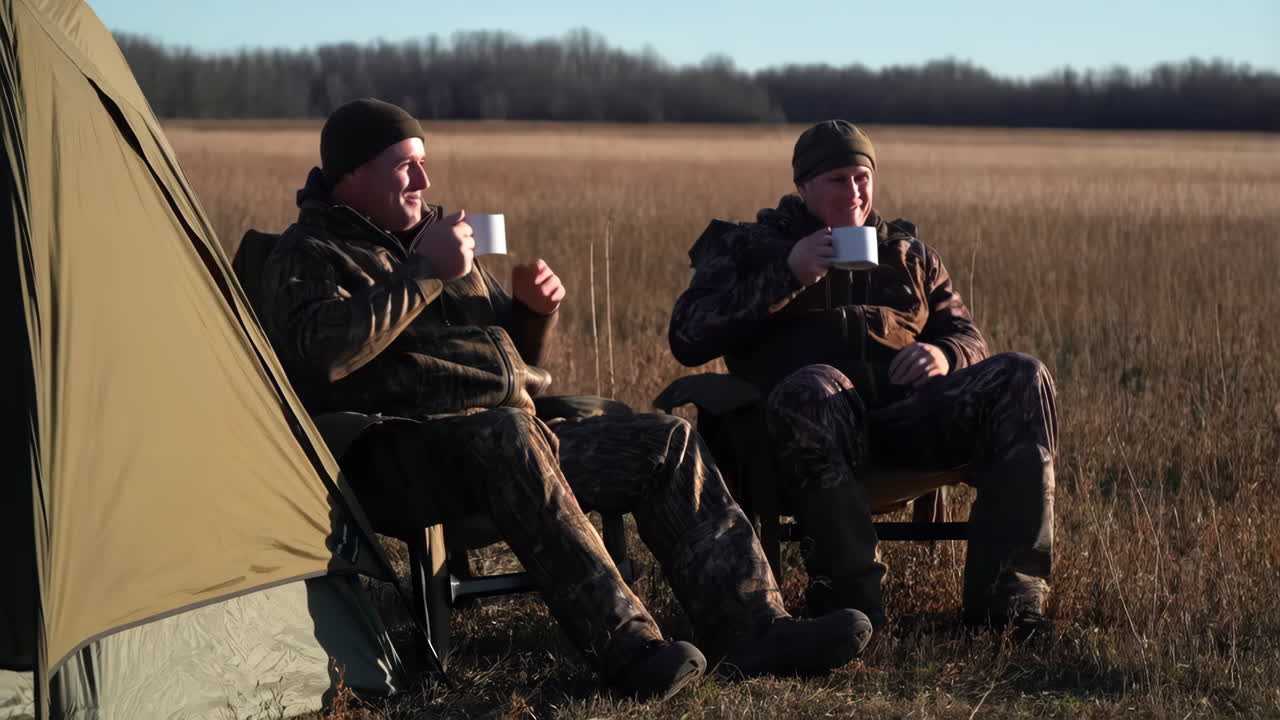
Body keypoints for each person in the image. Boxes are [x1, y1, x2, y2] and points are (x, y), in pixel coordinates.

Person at [250, 99, 873, 702]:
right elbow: (321, 354)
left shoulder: (439, 238)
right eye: (405, 164)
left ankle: (757, 629)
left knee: (664, 441)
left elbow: (514, 363)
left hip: (512, 437)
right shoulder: (308, 254)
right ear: (351, 174)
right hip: (399, 456)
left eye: (424, 161)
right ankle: (629, 649)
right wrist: (423, 273)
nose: (425, 177)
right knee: (510, 435)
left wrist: (532, 311)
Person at [668, 120, 1057, 635]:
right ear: (803, 186)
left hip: (904, 423)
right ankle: (850, 606)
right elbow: (688, 336)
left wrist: (944, 354)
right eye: (836, 180)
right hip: (803, 434)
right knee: (815, 384)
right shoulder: (749, 247)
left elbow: (969, 336)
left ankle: (1009, 610)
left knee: (1022, 375)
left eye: (862, 177)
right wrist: (788, 273)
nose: (854, 192)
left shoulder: (909, 254)